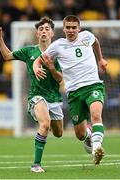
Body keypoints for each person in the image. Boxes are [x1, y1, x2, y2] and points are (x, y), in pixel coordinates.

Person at [0, 17, 64, 173]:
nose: (44, 31)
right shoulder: (29, 51)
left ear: (52, 33)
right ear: (37, 33)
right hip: (36, 96)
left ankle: (87, 132)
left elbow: (60, 79)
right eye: (41, 29)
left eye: (47, 29)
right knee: (45, 124)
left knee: (58, 133)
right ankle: (36, 165)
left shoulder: (58, 53)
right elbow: (7, 56)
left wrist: (50, 68)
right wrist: (0, 39)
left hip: (54, 98)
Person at [33, 15, 108, 165]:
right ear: (64, 28)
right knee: (80, 134)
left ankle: (97, 149)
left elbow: (96, 43)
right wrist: (36, 68)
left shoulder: (87, 36)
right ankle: (89, 135)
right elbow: (39, 59)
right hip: (74, 92)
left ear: (79, 28)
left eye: (74, 27)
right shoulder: (58, 45)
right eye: (68, 27)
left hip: (93, 84)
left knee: (95, 114)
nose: (71, 30)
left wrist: (100, 59)